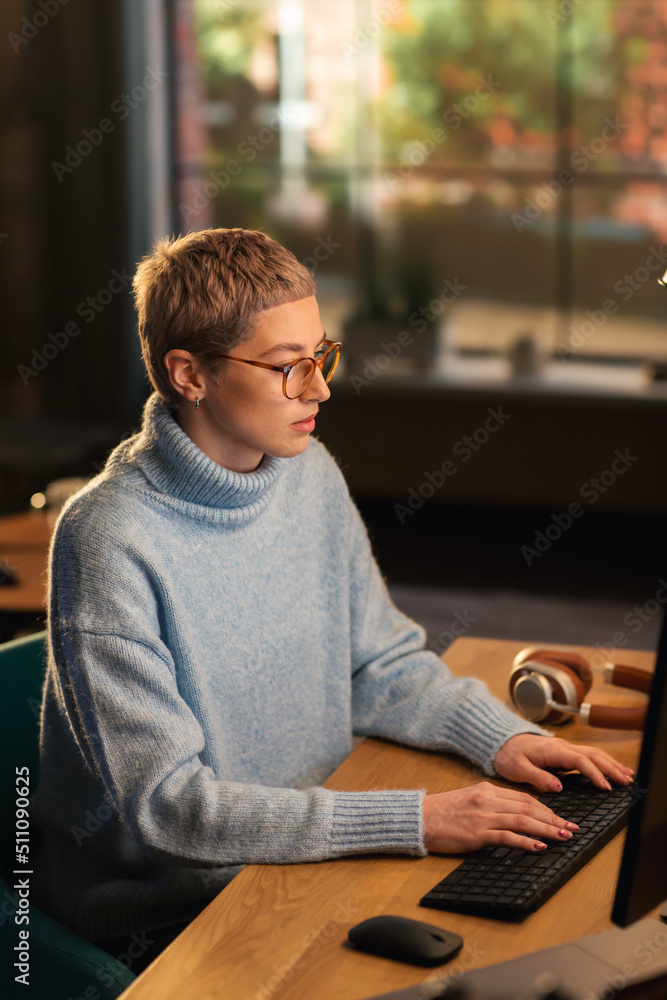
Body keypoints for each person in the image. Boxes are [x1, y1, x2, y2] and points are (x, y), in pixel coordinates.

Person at [31, 227, 633, 967]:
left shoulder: (306, 470)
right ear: (189, 374)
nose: (318, 388)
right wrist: (416, 819)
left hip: (311, 837)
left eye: (321, 356)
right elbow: (170, 810)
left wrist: (503, 737)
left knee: (548, 933)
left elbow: (379, 662)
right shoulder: (108, 540)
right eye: (288, 367)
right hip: (167, 912)